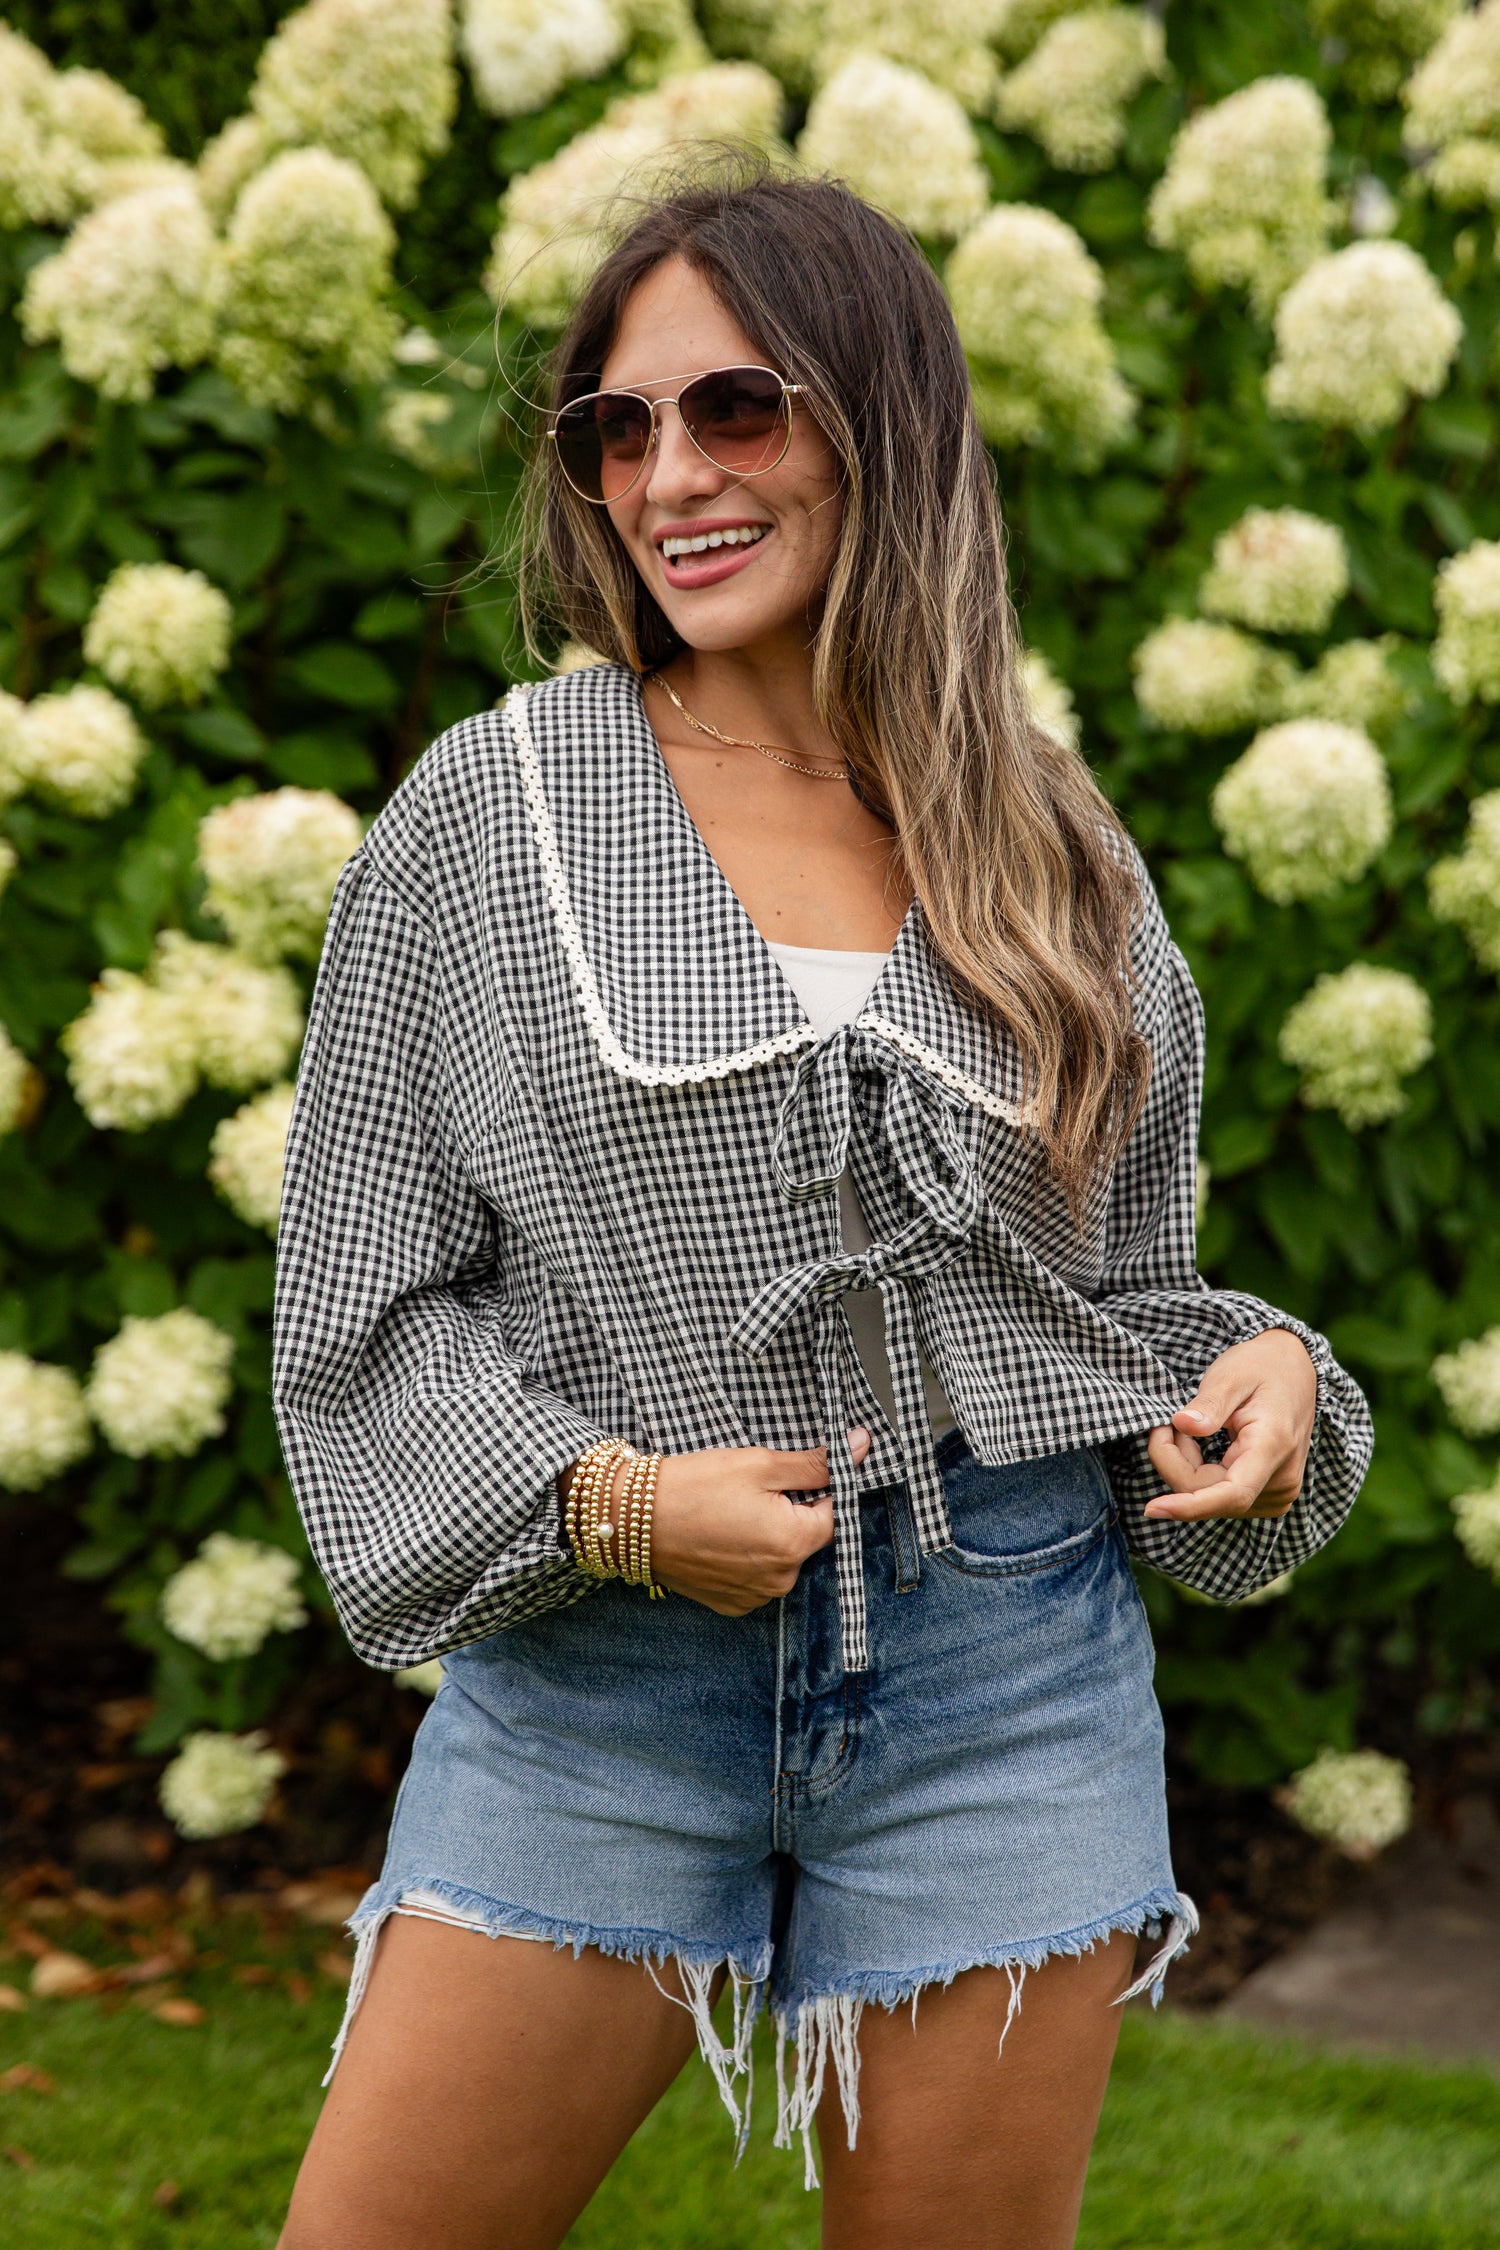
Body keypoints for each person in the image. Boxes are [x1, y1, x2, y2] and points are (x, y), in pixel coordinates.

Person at [271, 168, 1372, 2250]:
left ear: (881, 423)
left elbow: (1121, 1289)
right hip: (607, 1680)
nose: (667, 474)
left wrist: (1261, 1372)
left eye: (735, 410)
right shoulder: (489, 821)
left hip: (1009, 1676)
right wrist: (607, 1504)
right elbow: (365, 1298)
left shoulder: (1052, 846)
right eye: (618, 427)